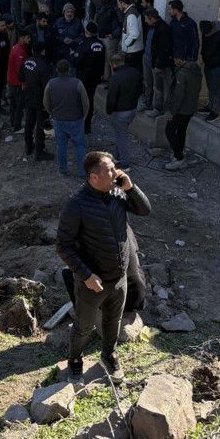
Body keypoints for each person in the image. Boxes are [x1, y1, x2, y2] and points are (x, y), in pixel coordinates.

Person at [57, 151, 151, 382]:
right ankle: (75, 360)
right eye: (109, 169)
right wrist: (86, 275)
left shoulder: (118, 193)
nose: (116, 172)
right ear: (93, 177)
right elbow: (63, 246)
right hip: (93, 283)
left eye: (114, 167)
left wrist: (131, 188)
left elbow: (144, 210)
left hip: (119, 279)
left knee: (113, 321)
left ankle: (108, 355)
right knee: (84, 327)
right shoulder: (77, 205)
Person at [44, 59, 90, 176]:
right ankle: (82, 171)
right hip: (76, 119)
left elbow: (45, 102)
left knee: (61, 145)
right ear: (69, 69)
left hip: (59, 119)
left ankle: (63, 169)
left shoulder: (51, 83)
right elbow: (86, 103)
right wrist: (84, 116)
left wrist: (51, 113)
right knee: (80, 145)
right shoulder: (78, 83)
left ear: (57, 70)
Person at [164, 56, 203, 170]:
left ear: (180, 59)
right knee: (181, 131)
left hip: (181, 109)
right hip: (190, 108)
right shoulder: (196, 71)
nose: (174, 61)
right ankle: (179, 153)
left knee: (169, 131)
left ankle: (179, 157)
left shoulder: (182, 73)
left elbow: (178, 95)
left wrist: (171, 112)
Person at [105, 53, 142, 169]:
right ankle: (117, 156)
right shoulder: (135, 72)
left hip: (120, 112)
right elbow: (140, 89)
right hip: (132, 109)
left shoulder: (116, 77)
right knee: (120, 134)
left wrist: (109, 110)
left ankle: (125, 162)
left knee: (121, 136)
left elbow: (111, 97)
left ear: (114, 64)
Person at [21, 42, 53, 161]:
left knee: (29, 122)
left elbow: (21, 78)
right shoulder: (44, 66)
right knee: (40, 125)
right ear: (43, 51)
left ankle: (28, 146)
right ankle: (39, 152)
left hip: (28, 97)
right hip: (40, 100)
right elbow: (46, 88)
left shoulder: (26, 62)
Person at [75, 22, 106, 134]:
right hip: (95, 77)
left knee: (81, 100)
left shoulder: (83, 45)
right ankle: (87, 126)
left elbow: (77, 61)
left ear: (86, 32)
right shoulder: (101, 44)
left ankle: (80, 125)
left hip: (84, 77)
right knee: (90, 99)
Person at [142, 8, 173, 117]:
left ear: (152, 18)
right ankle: (147, 103)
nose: (145, 21)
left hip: (156, 63)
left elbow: (163, 49)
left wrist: (158, 64)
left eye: (146, 19)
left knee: (157, 87)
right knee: (147, 82)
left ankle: (157, 108)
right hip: (147, 58)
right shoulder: (150, 26)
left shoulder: (163, 29)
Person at [198, 19, 220, 121]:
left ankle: (215, 111)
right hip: (208, 64)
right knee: (210, 86)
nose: (205, 34)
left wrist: (212, 62)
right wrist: (204, 58)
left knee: (216, 88)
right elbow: (204, 47)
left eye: (206, 33)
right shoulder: (205, 32)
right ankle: (210, 106)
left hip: (218, 66)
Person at [92, 0, 122, 80]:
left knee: (113, 60)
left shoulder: (116, 5)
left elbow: (121, 22)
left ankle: (116, 80)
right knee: (106, 59)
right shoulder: (102, 4)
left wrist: (114, 34)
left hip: (111, 37)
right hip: (103, 36)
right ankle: (107, 78)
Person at [6, 30, 31, 133]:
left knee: (14, 104)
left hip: (12, 81)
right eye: (28, 38)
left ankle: (13, 122)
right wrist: (23, 82)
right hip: (17, 83)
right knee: (19, 105)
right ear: (22, 38)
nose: (29, 40)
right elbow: (20, 69)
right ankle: (17, 127)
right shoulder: (19, 51)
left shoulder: (16, 48)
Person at [118, 0, 144, 71]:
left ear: (123, 3)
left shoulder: (131, 14)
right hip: (134, 51)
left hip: (133, 52)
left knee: (131, 74)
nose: (118, 7)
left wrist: (125, 44)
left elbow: (134, 34)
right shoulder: (131, 12)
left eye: (118, 4)